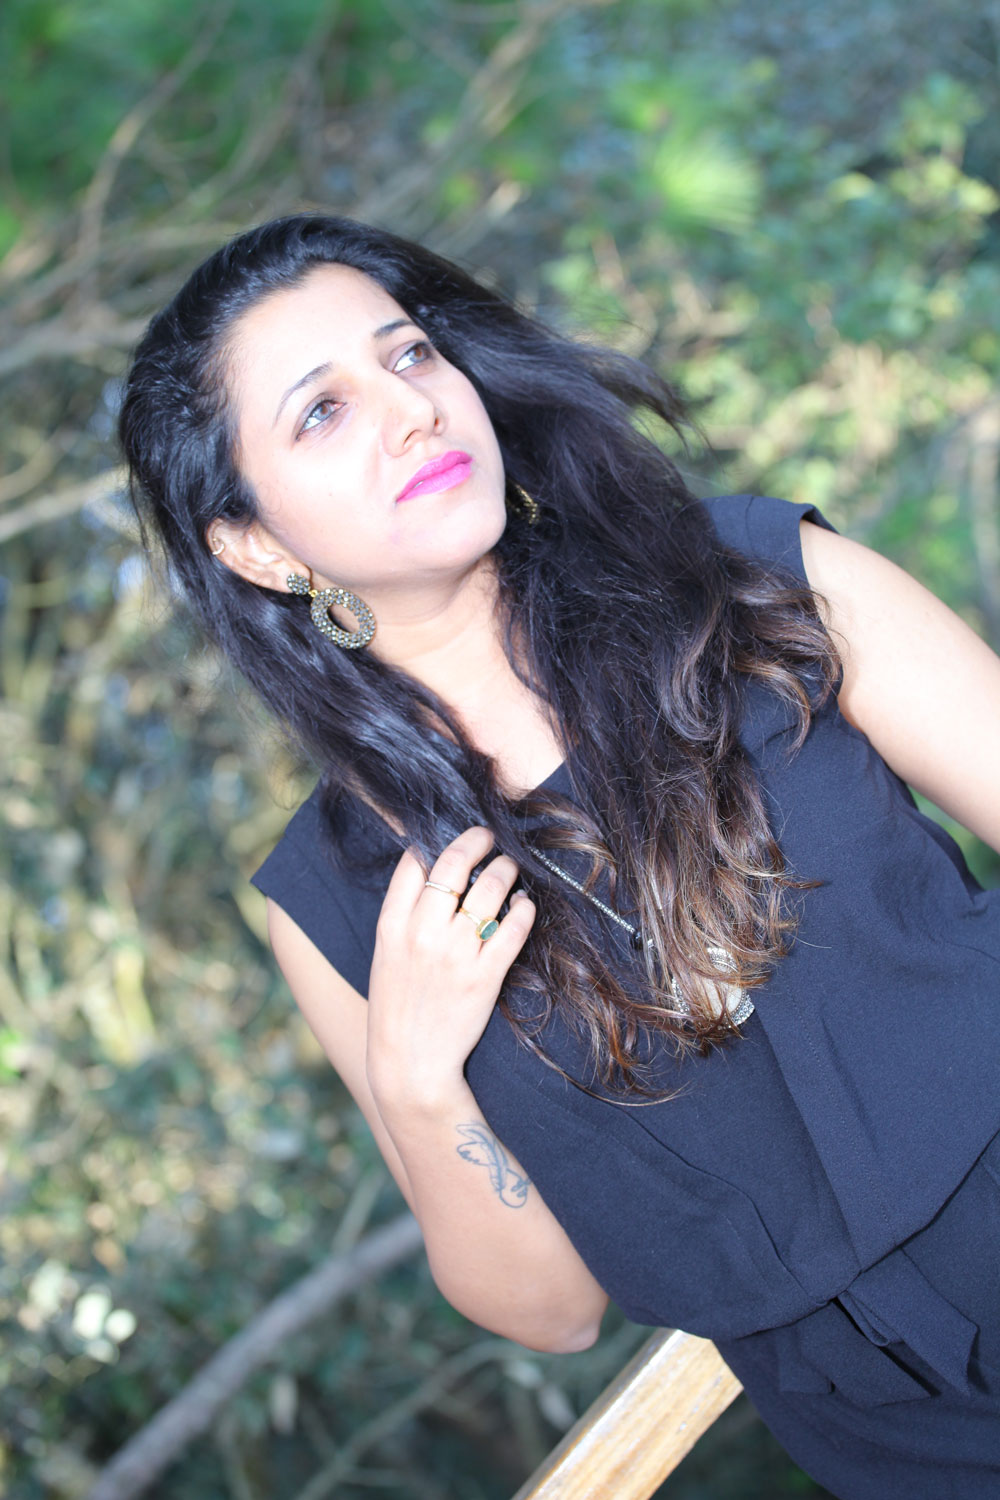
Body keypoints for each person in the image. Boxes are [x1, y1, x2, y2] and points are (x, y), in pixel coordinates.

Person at [119, 213, 1000, 1500]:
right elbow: (551, 1312)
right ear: (255, 545)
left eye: (410, 355)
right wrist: (418, 1080)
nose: (411, 411)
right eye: (322, 412)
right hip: (893, 1439)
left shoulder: (757, 583)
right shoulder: (337, 903)